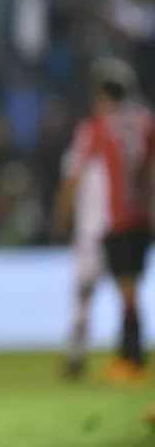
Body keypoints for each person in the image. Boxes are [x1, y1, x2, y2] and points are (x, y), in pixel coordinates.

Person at [53, 58, 155, 384]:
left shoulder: (98, 125)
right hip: (141, 215)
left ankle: (126, 357)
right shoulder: (145, 121)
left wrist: (62, 213)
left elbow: (74, 172)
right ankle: (127, 354)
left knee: (99, 287)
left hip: (111, 219)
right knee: (130, 286)